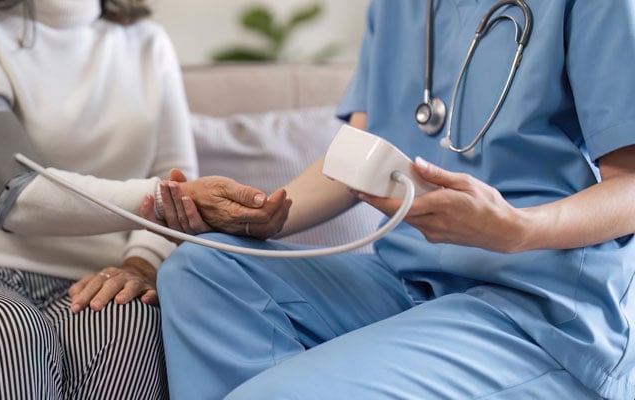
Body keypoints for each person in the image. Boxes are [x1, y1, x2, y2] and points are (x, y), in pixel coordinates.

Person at [148, 1, 635, 399]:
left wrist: (515, 229)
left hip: (538, 307)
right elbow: (359, 153)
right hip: (409, 281)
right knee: (201, 269)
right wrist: (263, 214)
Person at [0, 0, 288, 399]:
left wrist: (139, 263)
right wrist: (158, 199)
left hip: (85, 285)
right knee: (8, 330)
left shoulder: (147, 42)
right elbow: (13, 193)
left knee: (131, 326)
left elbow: (176, 176)